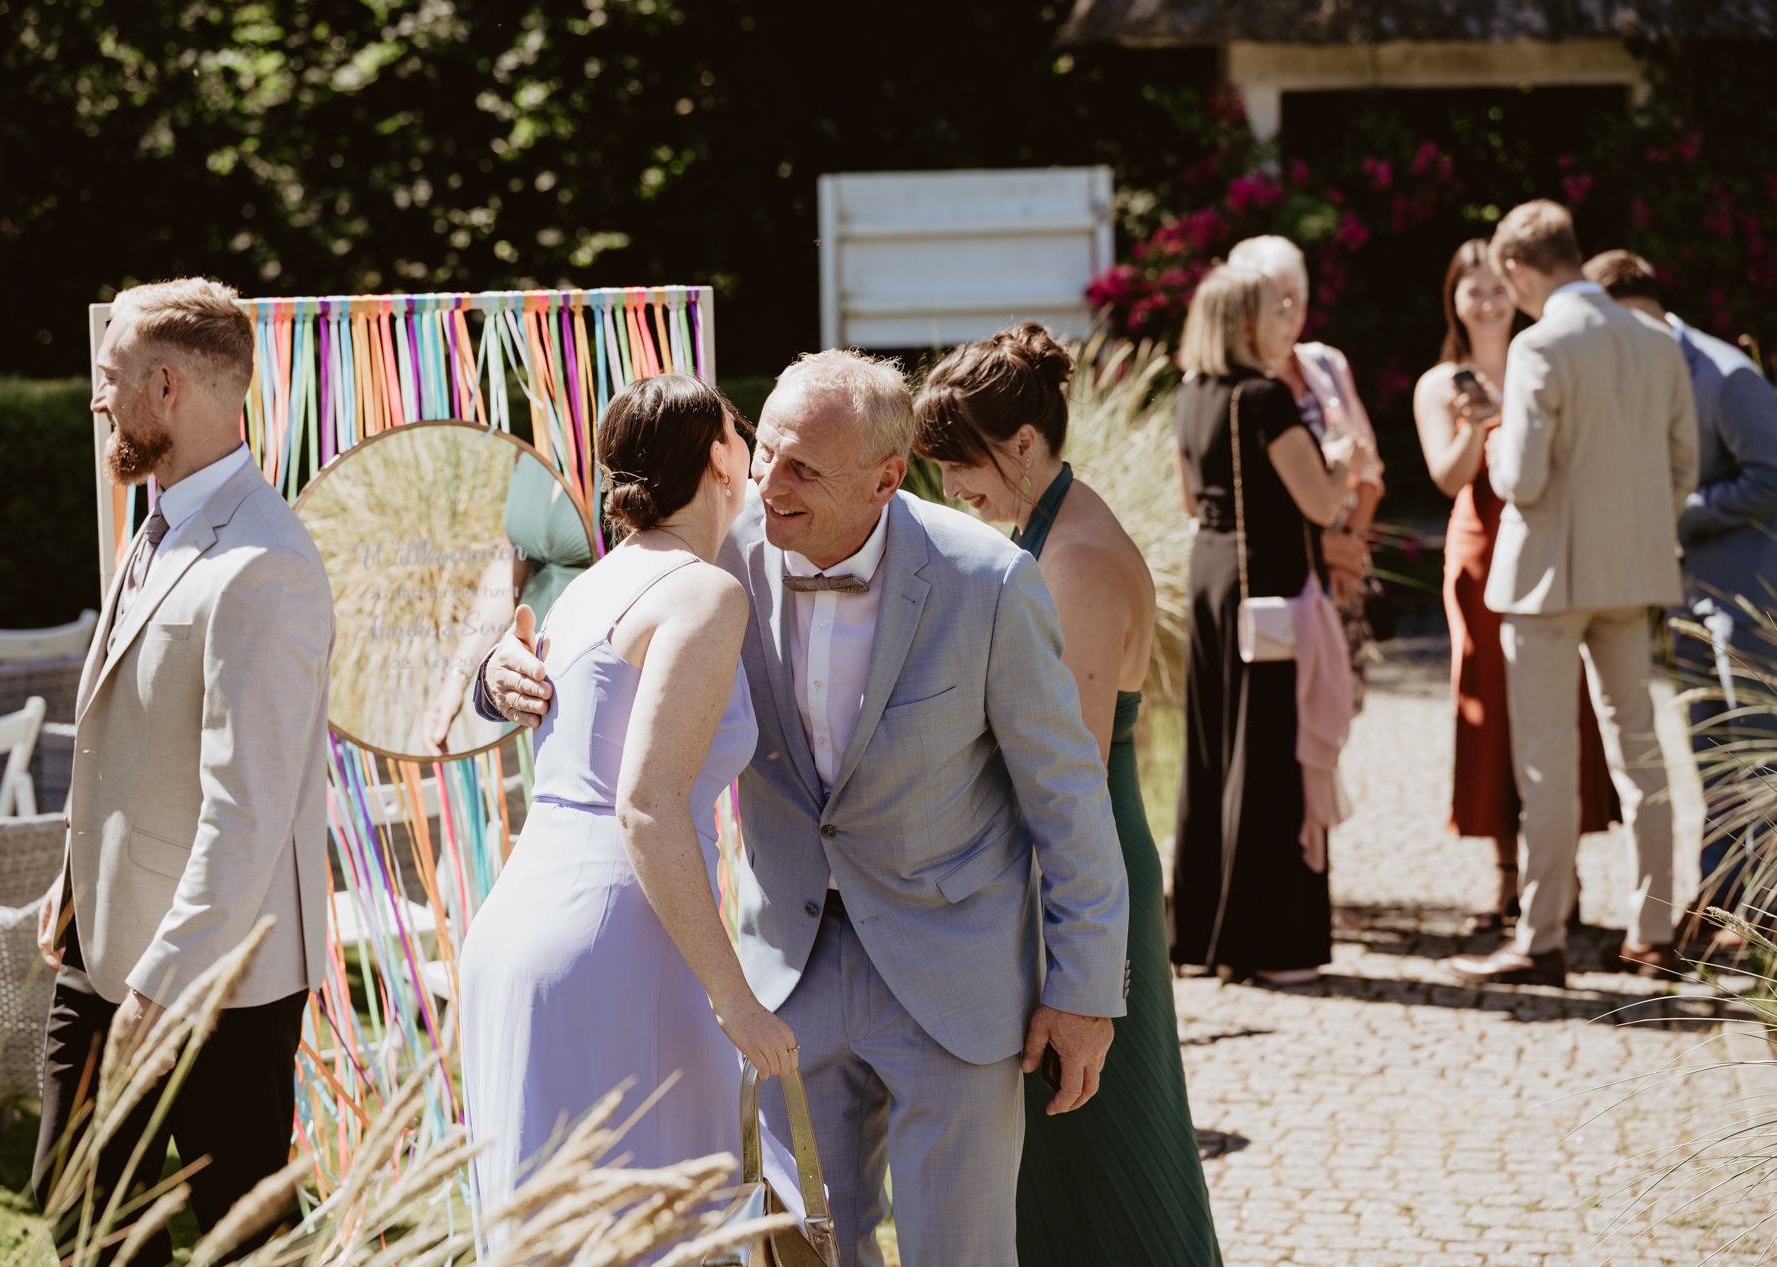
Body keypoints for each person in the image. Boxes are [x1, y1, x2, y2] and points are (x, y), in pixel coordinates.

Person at [478, 350, 1130, 1267]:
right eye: (766, 451)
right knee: (801, 1257)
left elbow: (1066, 797)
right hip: (783, 975)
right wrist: (491, 678)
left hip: (954, 976)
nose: (767, 484)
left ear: (887, 478)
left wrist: (1084, 989)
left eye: (802, 470)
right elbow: (585, 646)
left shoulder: (987, 581)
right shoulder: (716, 558)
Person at [32, 278, 336, 1266]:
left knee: (236, 1230)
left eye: (109, 377)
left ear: (165, 386)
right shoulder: (160, 516)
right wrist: (71, 879)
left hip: (216, 977)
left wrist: (161, 991)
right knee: (78, 1205)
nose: (97, 398)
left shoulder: (264, 563)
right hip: (104, 934)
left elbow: (244, 813)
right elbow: (134, 732)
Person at [458, 374, 800, 1243]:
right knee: (648, 1227)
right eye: (742, 430)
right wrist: (736, 999)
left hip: (521, 919)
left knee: (550, 1232)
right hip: (621, 934)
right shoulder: (703, 592)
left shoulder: (590, 584)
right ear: (723, 456)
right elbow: (645, 805)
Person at [913, 323, 1220, 1266]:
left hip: (1080, 872)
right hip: (1062, 856)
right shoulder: (1053, 525)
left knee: (1097, 1135)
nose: (949, 489)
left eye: (959, 464)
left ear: (1021, 444)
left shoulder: (1077, 560)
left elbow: (1067, 777)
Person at [1445, 201, 1698, 987]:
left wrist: (1489, 441)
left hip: (1547, 577)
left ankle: (1542, 936)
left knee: (1547, 760)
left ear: (1519, 268)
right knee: (1641, 751)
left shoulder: (1539, 345)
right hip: (1633, 572)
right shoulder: (1656, 341)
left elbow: (1518, 476)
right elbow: (1683, 463)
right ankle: (1653, 929)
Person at [1413, 240, 1620, 935]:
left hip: (1553, 538)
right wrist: (1478, 425)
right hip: (1480, 550)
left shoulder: (1547, 354)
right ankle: (1506, 871)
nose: (1488, 300)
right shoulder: (1440, 380)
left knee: (1566, 701)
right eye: (1473, 289)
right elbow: (1445, 476)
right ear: (1455, 299)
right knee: (1490, 703)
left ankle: (1561, 872)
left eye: (1497, 286)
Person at [1171, 265, 1371, 985]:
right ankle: (1269, 942)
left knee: (1212, 749)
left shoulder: (1191, 395)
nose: (1289, 316)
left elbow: (1192, 499)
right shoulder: (1264, 398)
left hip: (1214, 578)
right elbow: (1320, 503)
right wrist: (1343, 464)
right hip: (1271, 588)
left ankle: (1198, 934)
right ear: (1243, 323)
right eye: (1273, 308)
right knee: (1269, 759)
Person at [1586, 248, 1777, 926]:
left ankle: (1765, 916)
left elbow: (1770, 475)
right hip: (1685, 595)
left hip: (1749, 595)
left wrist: (1673, 509)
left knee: (1759, 754)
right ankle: (1722, 897)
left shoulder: (1726, 375)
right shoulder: (1627, 373)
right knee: (1709, 752)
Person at [1227, 235, 1384, 704]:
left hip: (1342, 573)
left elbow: (1371, 468)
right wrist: (1322, 550)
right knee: (1287, 718)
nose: (1292, 312)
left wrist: (1351, 547)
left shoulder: (1326, 364)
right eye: (1279, 300)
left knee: (1338, 709)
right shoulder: (1236, 384)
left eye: (1299, 298)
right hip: (1282, 575)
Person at [419, 451, 594, 755]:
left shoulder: (633, 433)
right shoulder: (527, 447)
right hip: (524, 684)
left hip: (594, 683)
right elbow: (509, 563)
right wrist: (455, 679)